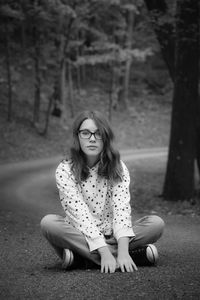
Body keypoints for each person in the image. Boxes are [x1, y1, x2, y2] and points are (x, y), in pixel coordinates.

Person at [40, 110, 165, 273]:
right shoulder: (65, 169)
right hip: (81, 235)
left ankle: (81, 259)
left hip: (113, 234)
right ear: (77, 136)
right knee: (49, 223)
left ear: (105, 138)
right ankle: (130, 257)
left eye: (98, 133)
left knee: (156, 224)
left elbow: (121, 210)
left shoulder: (117, 167)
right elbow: (80, 215)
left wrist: (123, 249)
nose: (92, 138)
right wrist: (105, 252)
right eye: (85, 133)